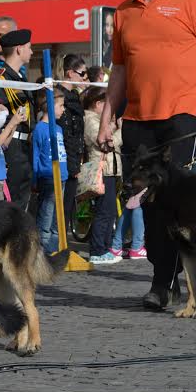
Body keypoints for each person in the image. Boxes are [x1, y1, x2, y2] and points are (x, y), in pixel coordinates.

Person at [96, 0, 196, 310]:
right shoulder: (124, 11)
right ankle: (164, 278)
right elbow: (120, 71)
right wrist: (105, 119)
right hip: (138, 120)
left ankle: (167, 283)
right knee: (147, 202)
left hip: (181, 114)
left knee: (178, 202)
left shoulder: (188, 0)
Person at [0, 28, 35, 210]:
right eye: (29, 47)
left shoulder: (21, 78)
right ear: (19, 49)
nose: (32, 52)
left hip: (25, 148)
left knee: (23, 200)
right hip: (10, 146)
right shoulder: (0, 78)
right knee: (9, 204)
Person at [83, 86, 123, 265]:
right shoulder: (90, 120)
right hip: (102, 171)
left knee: (110, 211)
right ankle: (97, 250)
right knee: (103, 212)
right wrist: (120, 129)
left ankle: (105, 248)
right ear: (98, 104)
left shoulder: (101, 121)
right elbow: (106, 143)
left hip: (111, 170)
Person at [55, 54, 88, 230]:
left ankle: (63, 242)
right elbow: (66, 134)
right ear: (69, 73)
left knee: (68, 206)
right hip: (64, 160)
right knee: (60, 208)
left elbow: (79, 132)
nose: (85, 78)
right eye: (82, 73)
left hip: (75, 157)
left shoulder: (75, 97)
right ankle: (58, 245)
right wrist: (73, 164)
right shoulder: (61, 98)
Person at [32, 91, 67, 254]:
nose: (64, 109)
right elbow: (36, 154)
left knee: (57, 215)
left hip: (62, 176)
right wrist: (35, 177)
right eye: (60, 106)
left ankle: (55, 246)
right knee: (47, 212)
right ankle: (43, 247)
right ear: (51, 108)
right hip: (48, 176)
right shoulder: (40, 128)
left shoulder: (59, 128)